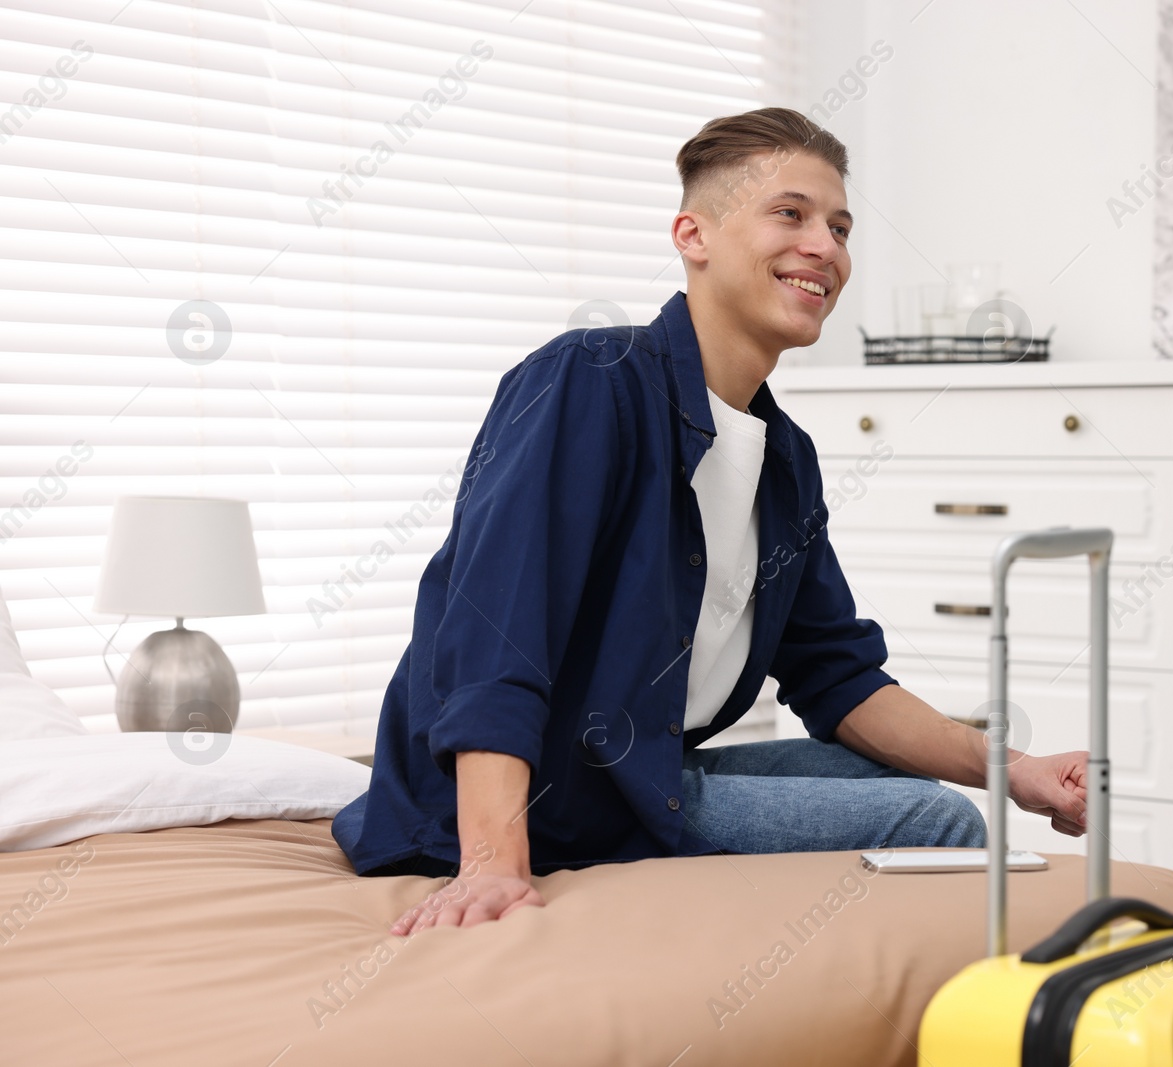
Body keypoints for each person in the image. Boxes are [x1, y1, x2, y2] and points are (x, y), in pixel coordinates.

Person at [330, 107, 1090, 936]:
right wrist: (490, 866)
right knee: (935, 823)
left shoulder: (785, 460)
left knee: (877, 777)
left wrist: (1016, 770)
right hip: (541, 807)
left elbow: (839, 678)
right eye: (790, 214)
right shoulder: (590, 381)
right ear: (693, 235)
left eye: (839, 227)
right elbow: (494, 638)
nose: (825, 248)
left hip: (638, 772)